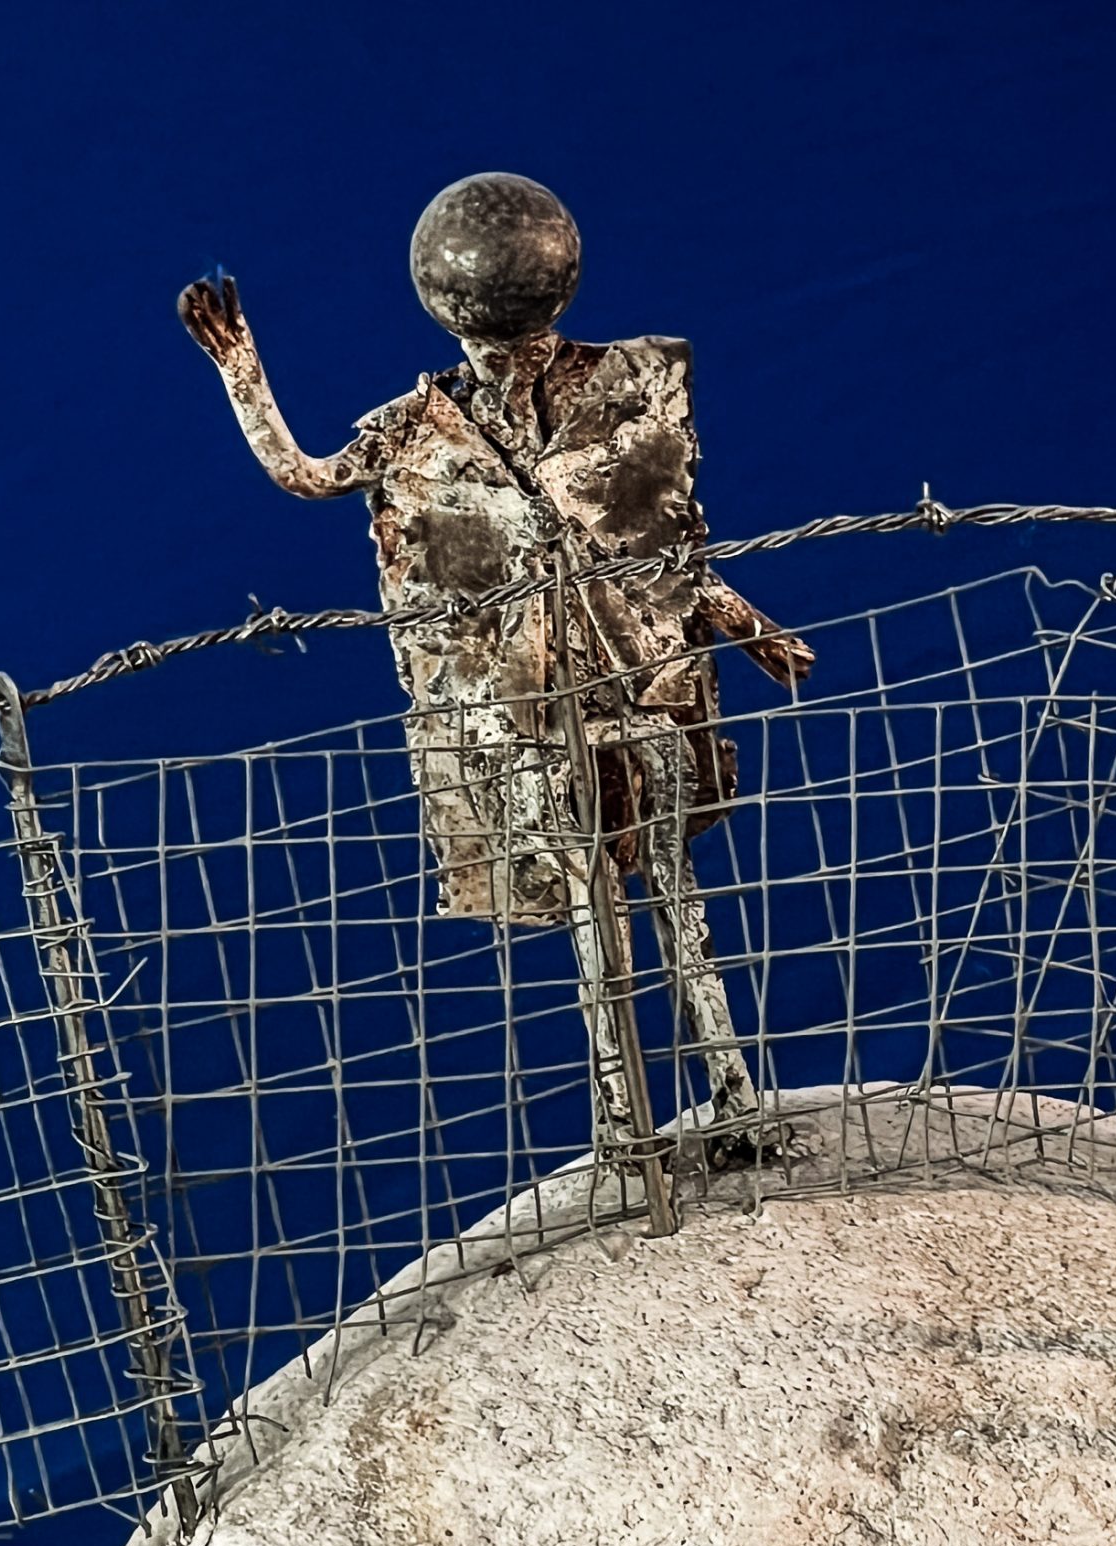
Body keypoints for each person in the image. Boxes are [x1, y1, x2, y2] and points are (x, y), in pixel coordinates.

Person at [179, 170, 810, 1154]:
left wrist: (745, 620)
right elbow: (310, 474)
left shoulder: (629, 389)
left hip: (644, 682)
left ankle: (731, 1097)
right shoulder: (416, 429)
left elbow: (663, 544)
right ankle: (627, 1126)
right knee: (597, 905)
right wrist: (242, 373)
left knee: (671, 886)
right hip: (528, 709)